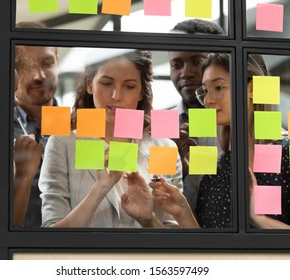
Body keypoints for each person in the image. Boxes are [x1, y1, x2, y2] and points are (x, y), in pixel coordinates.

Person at [150, 53, 290, 229]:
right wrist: (182, 210)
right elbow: (209, 246)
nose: (208, 100)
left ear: (251, 89)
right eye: (205, 91)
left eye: (218, 87)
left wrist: (259, 219)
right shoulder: (219, 167)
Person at [39, 49, 183, 228]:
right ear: (90, 85)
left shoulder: (164, 147)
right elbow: (50, 235)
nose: (116, 96)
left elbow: (176, 236)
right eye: (107, 83)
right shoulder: (63, 143)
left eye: (129, 86)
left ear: (141, 93)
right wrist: (99, 190)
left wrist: (148, 220)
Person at [0, 21, 57, 227]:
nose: (39, 76)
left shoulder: (80, 127)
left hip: (71, 248)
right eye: (27, 66)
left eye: (47, 63)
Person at [168, 19, 224, 212]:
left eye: (197, 62)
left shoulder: (245, 129)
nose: (186, 73)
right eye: (176, 64)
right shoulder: (158, 130)